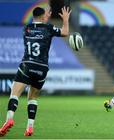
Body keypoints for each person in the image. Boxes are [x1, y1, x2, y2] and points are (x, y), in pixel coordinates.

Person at [0, 6, 71, 136]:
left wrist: (45, 16)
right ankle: (29, 127)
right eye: (46, 15)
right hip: (42, 68)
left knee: (14, 94)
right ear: (43, 17)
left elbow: (38, 25)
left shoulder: (26, 29)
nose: (48, 16)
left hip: (27, 64)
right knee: (32, 98)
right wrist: (65, 19)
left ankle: (9, 119)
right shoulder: (48, 28)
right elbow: (65, 32)